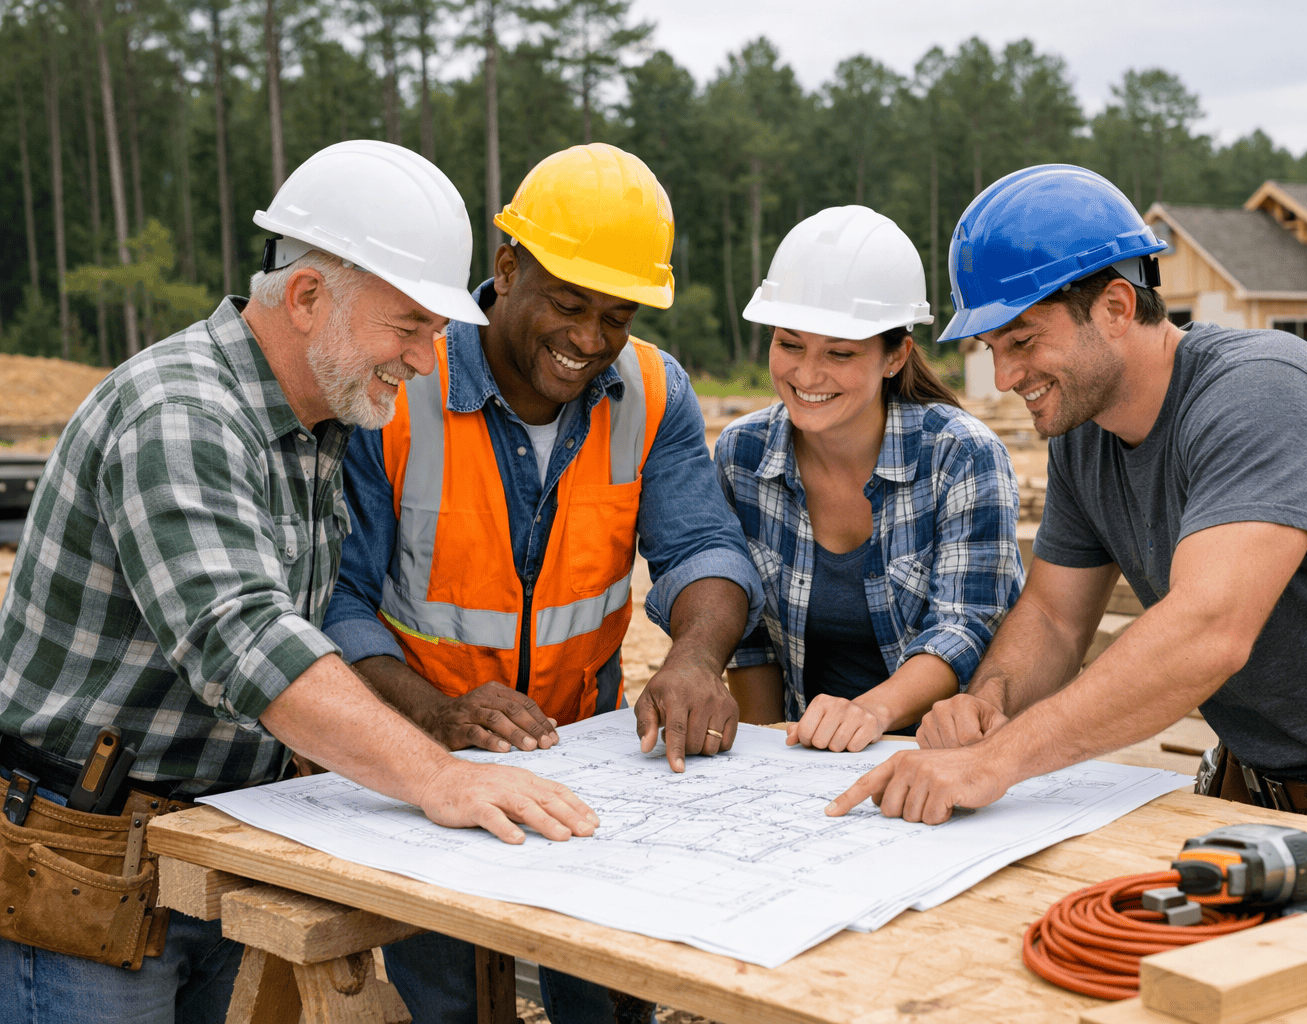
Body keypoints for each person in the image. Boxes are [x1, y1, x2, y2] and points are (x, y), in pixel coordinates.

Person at [827, 164, 1307, 923]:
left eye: (1023, 341)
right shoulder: (1084, 437)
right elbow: (1056, 618)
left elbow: (1207, 630)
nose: (1004, 376)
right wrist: (987, 705)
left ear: (1115, 306)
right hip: (1271, 804)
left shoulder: (1263, 391)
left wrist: (994, 765)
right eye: (993, 347)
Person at [0, 141, 597, 1024]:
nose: (426, 361)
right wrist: (440, 778)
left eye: (435, 334)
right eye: (408, 328)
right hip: (83, 850)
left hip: (206, 834)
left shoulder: (320, 421)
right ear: (311, 297)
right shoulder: (183, 414)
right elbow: (247, 639)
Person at [322, 143, 762, 1024]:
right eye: (568, 304)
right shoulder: (403, 384)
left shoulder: (650, 389)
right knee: (449, 1005)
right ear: (507, 268)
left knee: (607, 1000)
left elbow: (706, 548)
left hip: (593, 764)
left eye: (617, 314)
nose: (590, 340)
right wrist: (437, 716)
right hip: (428, 762)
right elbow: (336, 601)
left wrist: (697, 658)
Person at [716, 206, 1024, 752]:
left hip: (949, 754)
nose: (807, 375)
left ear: (894, 356)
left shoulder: (960, 456)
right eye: (789, 344)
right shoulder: (743, 455)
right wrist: (764, 756)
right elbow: (750, 643)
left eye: (839, 353)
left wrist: (867, 715)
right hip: (809, 750)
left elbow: (965, 627)